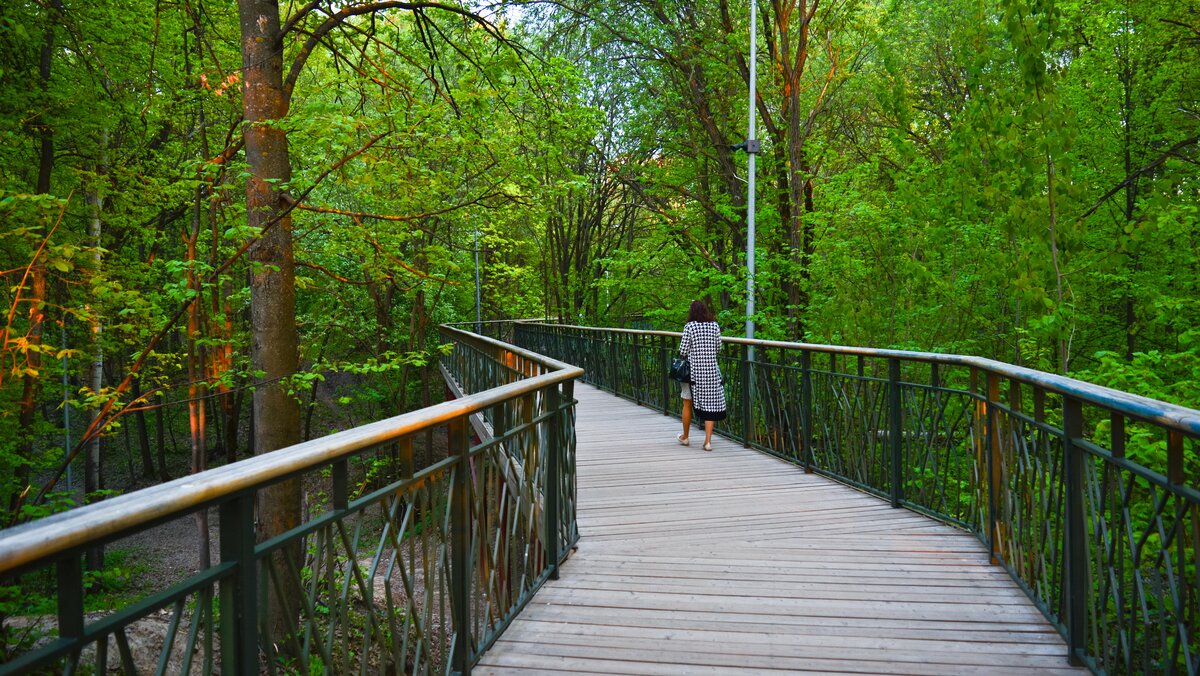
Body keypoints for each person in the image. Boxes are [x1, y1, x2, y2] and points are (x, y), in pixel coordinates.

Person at [676, 300, 726, 451]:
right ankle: (708, 442)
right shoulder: (714, 326)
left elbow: (683, 350)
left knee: (687, 402)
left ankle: (685, 437)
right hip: (711, 371)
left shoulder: (689, 327)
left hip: (693, 372)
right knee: (710, 404)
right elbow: (719, 348)